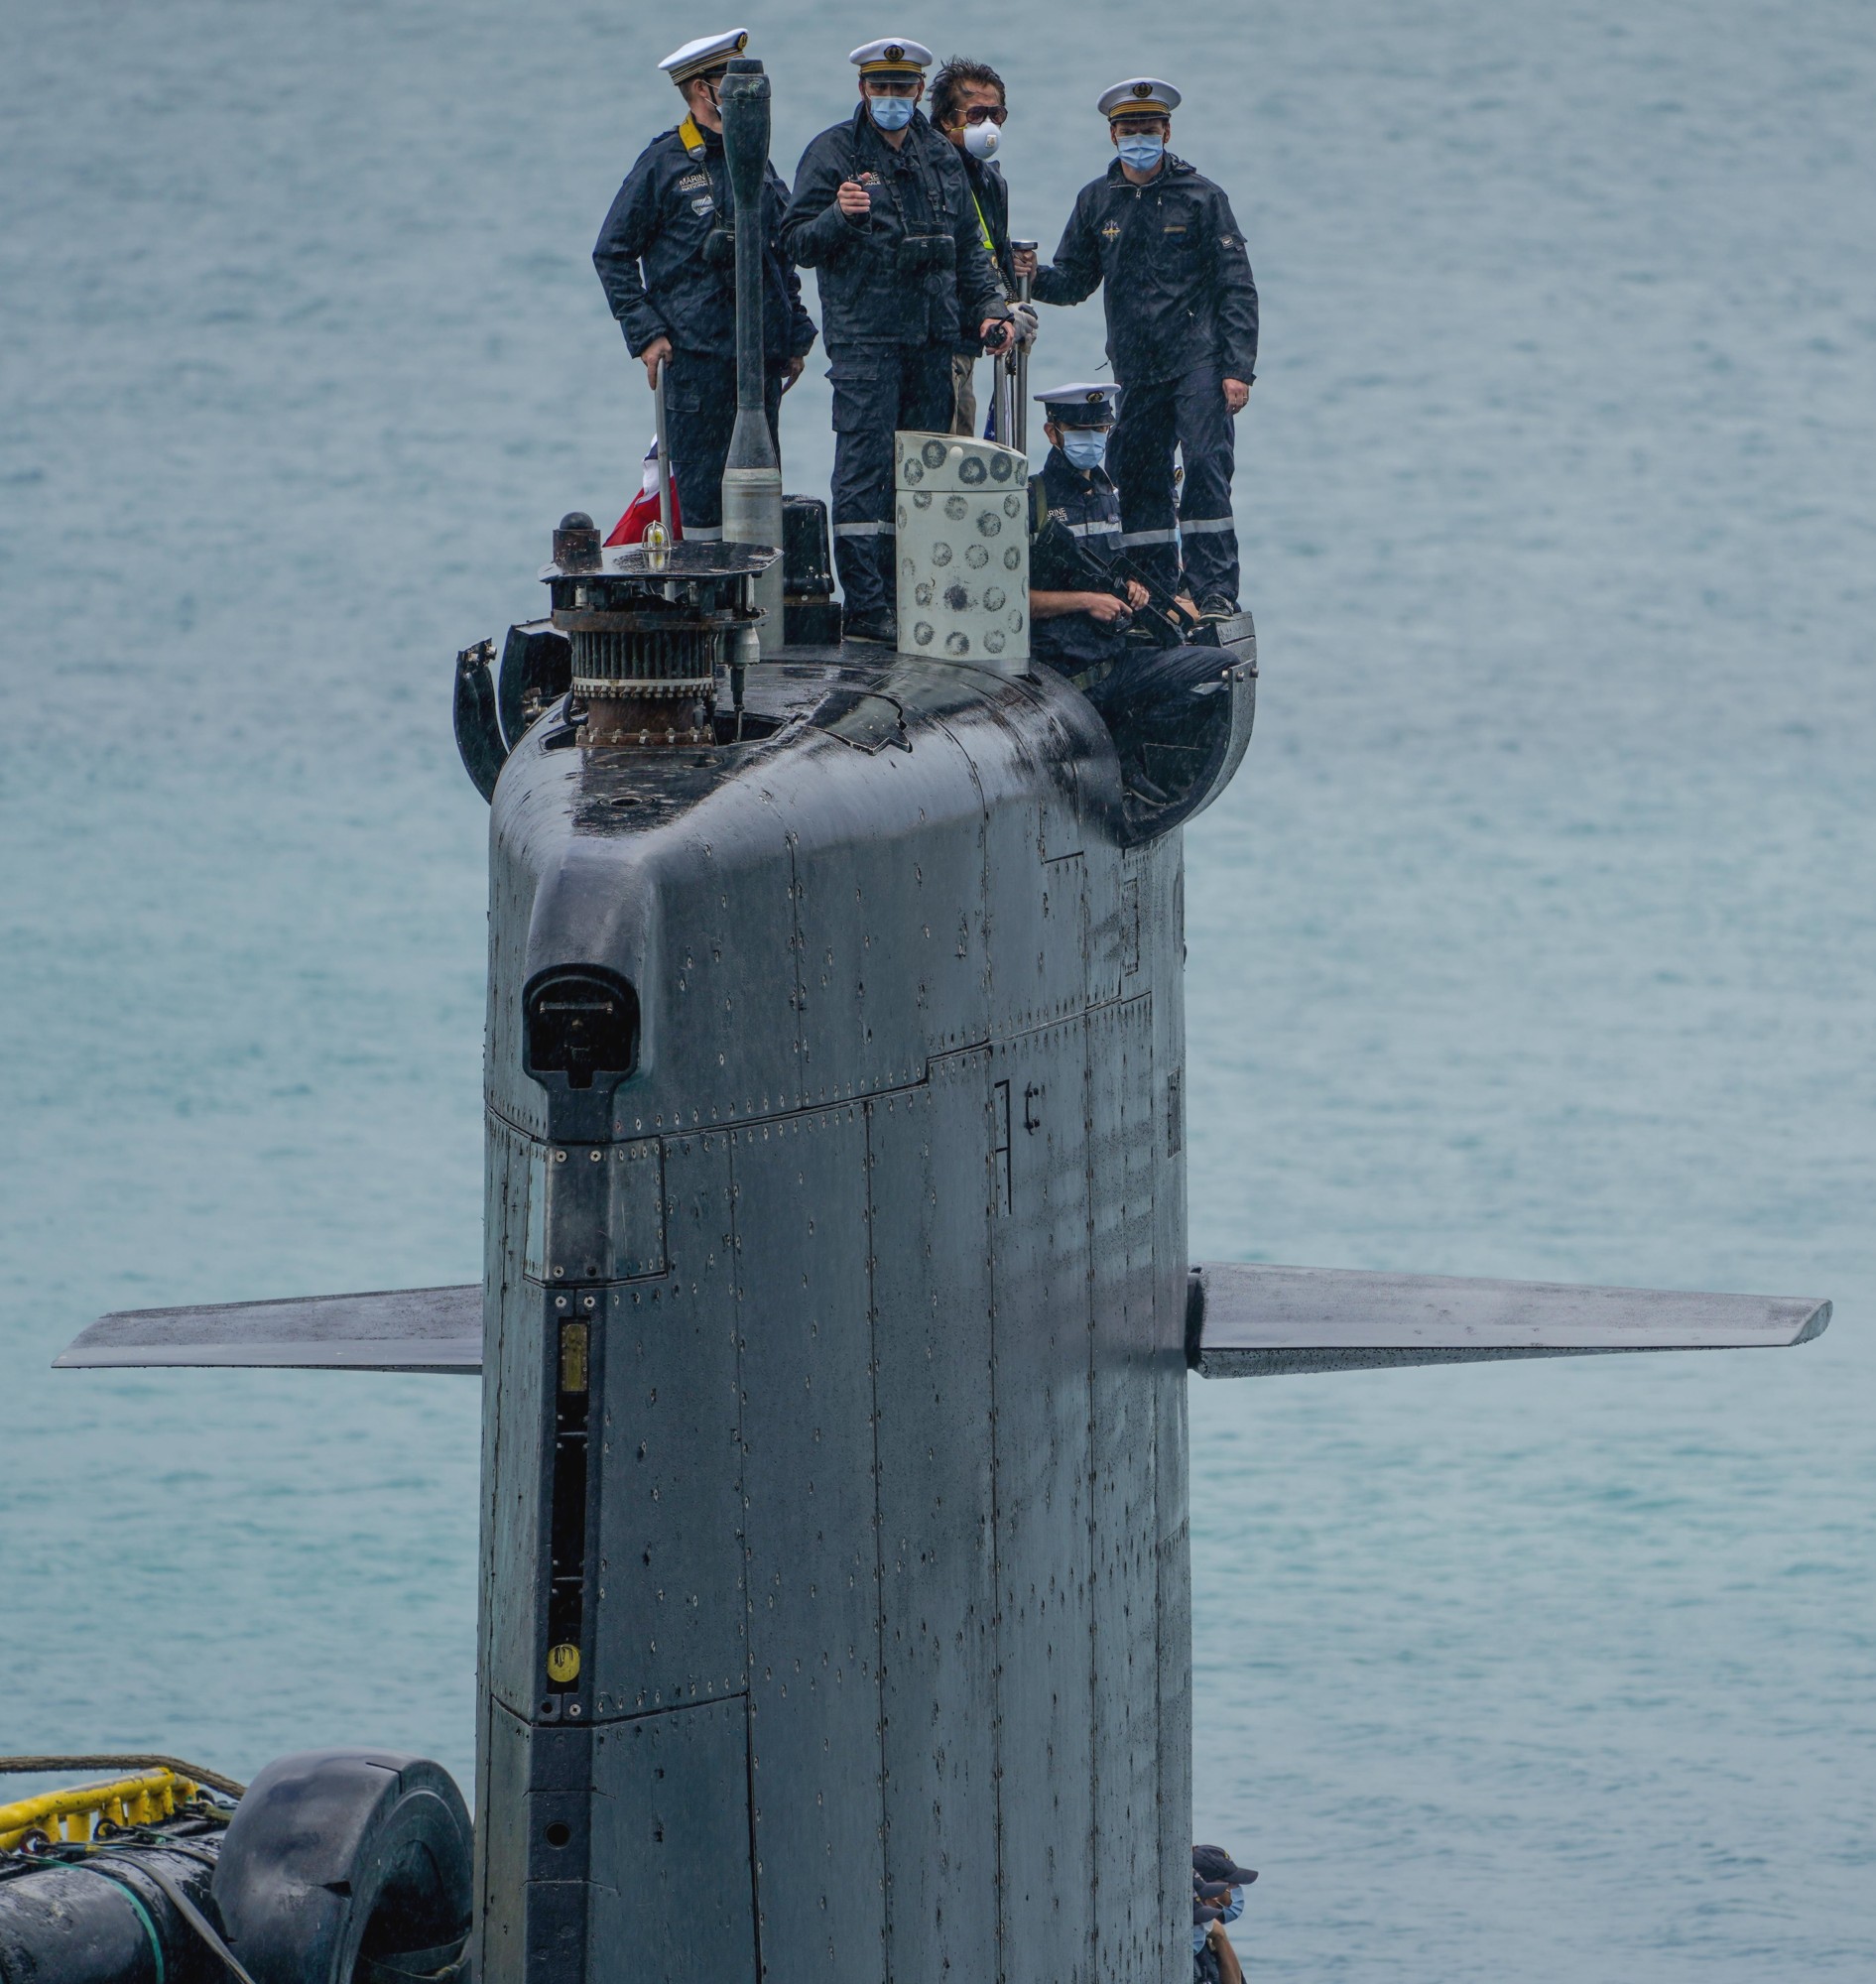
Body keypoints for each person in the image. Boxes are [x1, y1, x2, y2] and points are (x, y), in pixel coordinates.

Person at [782, 38, 1016, 644]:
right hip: (866, 342)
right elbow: (795, 243)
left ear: (917, 91)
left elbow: (970, 250)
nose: (891, 97)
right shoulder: (833, 153)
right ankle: (868, 606)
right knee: (864, 473)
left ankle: (919, 593)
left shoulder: (939, 155)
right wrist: (838, 215)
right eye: (880, 87)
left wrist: (990, 310)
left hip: (933, 342)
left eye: (901, 88)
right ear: (864, 90)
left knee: (925, 473)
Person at [1015, 77, 1257, 616]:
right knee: (1139, 474)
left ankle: (1213, 587)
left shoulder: (1203, 197)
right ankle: (1155, 586)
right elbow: (1075, 282)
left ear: (1167, 131)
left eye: (1149, 129)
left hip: (1199, 361)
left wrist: (1238, 368)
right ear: (1112, 134)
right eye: (1129, 129)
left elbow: (1236, 286)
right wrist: (1031, 277)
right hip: (1136, 368)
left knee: (1205, 465)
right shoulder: (1097, 200)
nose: (1139, 138)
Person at [591, 29, 817, 542]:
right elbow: (612, 252)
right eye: (733, 86)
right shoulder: (664, 163)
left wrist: (794, 335)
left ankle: (755, 609)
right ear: (702, 91)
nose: (749, 100)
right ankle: (705, 609)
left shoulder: (755, 159)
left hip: (756, 363)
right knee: (701, 512)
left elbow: (776, 255)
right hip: (695, 361)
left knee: (757, 500)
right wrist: (647, 334)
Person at [928, 56, 1030, 436]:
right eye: (975, 114)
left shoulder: (990, 180)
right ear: (944, 118)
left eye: (996, 114)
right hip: (934, 342)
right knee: (941, 448)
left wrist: (1009, 300)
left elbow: (989, 253)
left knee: (964, 445)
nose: (987, 125)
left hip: (972, 337)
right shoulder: (925, 171)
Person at [1192, 1844, 1257, 1983]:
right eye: (1231, 1884)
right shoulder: (1195, 1941)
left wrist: (1220, 1937)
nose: (1236, 1889)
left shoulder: (1209, 1935)